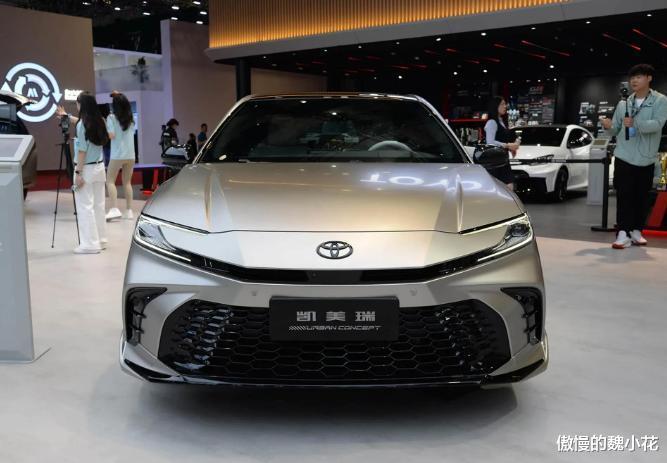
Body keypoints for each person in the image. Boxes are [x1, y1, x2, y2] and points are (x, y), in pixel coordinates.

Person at [602, 64, 667, 249]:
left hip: (646, 157)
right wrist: (608, 126)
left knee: (642, 197)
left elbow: (658, 124)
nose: (634, 81)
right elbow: (616, 129)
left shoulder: (660, 101)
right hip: (624, 155)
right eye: (632, 78)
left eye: (638, 77)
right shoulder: (624, 103)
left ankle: (637, 230)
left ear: (649, 78)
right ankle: (623, 232)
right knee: (624, 196)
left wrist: (636, 123)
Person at [71, 92, 109, 254]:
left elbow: (82, 151)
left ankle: (90, 244)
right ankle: (101, 239)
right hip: (99, 168)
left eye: (77, 103)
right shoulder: (100, 121)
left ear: (81, 105)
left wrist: (78, 173)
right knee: (99, 205)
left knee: (85, 206)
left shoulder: (82, 125)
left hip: (85, 169)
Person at [105, 92, 136, 221]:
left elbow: (111, 135)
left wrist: (106, 128)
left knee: (110, 181)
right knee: (127, 183)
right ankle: (129, 211)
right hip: (130, 155)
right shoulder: (131, 119)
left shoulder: (111, 117)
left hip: (117, 155)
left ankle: (114, 209)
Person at [483, 96, 519, 190]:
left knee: (509, 187)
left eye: (505, 104)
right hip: (495, 162)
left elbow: (502, 139)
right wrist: (508, 145)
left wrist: (511, 148)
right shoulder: (492, 122)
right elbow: (490, 142)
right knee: (505, 188)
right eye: (502, 104)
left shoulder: (502, 121)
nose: (505, 106)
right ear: (496, 106)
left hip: (503, 160)